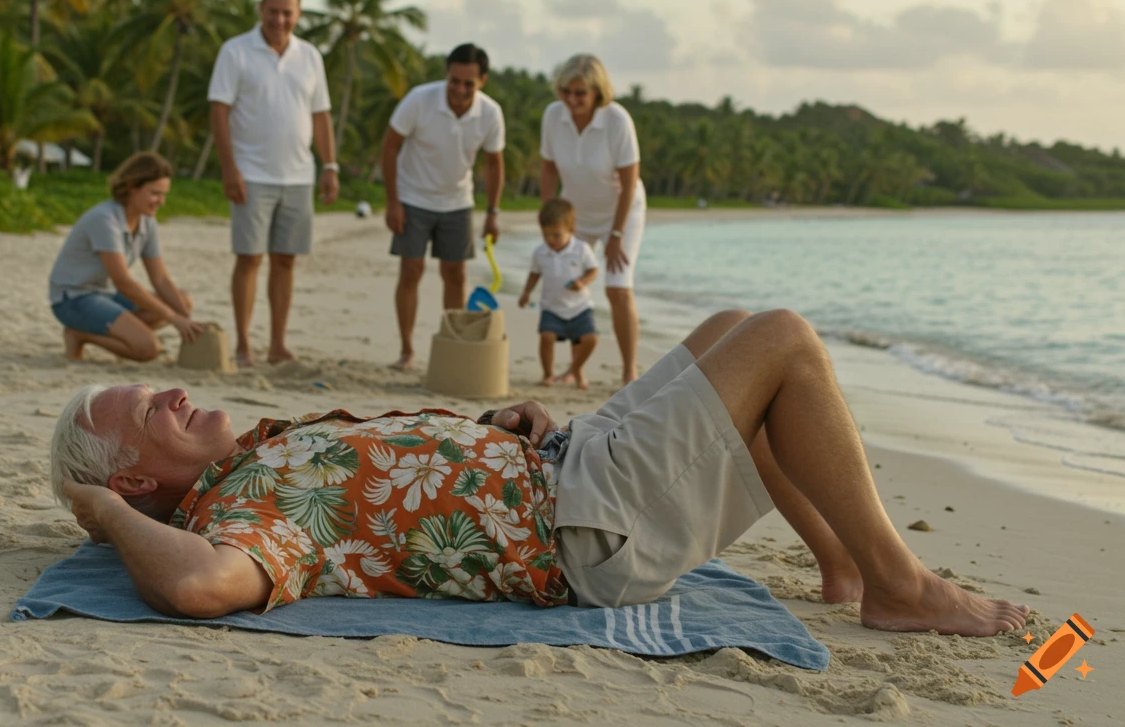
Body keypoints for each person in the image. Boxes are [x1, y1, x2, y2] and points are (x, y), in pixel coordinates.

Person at [50, 308, 1030, 640]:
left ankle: (844, 567)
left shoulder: (261, 449)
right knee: (782, 342)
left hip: (563, 466)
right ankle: (901, 588)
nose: (169, 398)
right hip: (585, 527)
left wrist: (495, 433)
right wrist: (93, 511)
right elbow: (194, 584)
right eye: (147, 415)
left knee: (730, 329)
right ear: (135, 484)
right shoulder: (247, 508)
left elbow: (395, 480)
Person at [208, 0, 339, 368]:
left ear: (298, 14)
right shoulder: (235, 52)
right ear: (260, 10)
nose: (280, 20)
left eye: (288, 13)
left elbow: (321, 116)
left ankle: (278, 344)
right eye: (273, 11)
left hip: (299, 175)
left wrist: (329, 165)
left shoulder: (310, 56)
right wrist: (229, 168)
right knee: (249, 258)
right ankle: (245, 345)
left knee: (286, 260)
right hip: (250, 173)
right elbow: (219, 112)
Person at [381, 43, 505, 371]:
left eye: (469, 83)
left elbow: (494, 165)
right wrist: (392, 202)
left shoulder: (490, 113)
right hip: (413, 197)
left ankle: (453, 347)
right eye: (455, 80)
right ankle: (407, 350)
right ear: (446, 75)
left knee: (456, 274)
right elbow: (389, 147)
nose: (460, 89)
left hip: (458, 201)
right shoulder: (419, 100)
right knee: (411, 270)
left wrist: (493, 212)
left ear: (482, 81)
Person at [540, 53, 645, 384]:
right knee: (571, 288)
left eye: (580, 93)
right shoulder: (554, 116)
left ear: (597, 91)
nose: (572, 100)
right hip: (576, 215)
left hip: (621, 213)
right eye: (566, 92)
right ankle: (575, 370)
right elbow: (548, 169)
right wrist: (550, 216)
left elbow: (629, 181)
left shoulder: (617, 120)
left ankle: (629, 373)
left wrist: (615, 234)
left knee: (618, 288)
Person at [48, 152, 204, 362]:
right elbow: (123, 282)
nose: (161, 201)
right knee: (148, 349)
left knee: (183, 301)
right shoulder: (105, 219)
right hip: (74, 298)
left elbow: (161, 279)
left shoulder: (147, 222)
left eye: (164, 194)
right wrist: (173, 318)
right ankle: (79, 333)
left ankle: (124, 328)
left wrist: (186, 319)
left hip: (106, 294)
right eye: (155, 193)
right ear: (132, 187)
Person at [518, 199, 600, 389]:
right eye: (546, 235)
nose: (551, 240)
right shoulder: (540, 253)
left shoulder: (581, 249)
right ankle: (549, 374)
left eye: (556, 235)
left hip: (580, 306)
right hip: (552, 307)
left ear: (571, 229)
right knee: (546, 337)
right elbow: (534, 274)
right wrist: (526, 292)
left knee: (589, 339)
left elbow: (593, 270)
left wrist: (582, 282)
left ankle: (575, 369)